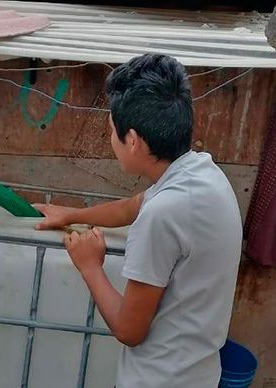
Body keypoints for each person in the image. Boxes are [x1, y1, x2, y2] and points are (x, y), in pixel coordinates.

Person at [34, 54, 242, 388]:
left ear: (132, 141)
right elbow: (133, 205)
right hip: (197, 374)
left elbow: (129, 331)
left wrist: (90, 266)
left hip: (159, 379)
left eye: (112, 133)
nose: (111, 142)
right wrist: (71, 214)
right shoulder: (203, 174)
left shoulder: (163, 215)